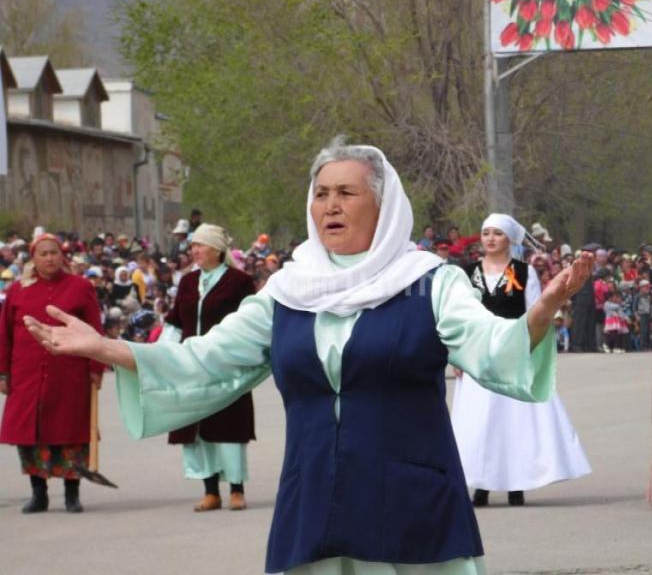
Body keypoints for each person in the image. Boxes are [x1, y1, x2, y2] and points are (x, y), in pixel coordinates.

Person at [23, 139, 592, 574]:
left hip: (410, 502)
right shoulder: (287, 291)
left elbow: (491, 347)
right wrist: (106, 347)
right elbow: (205, 360)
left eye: (347, 193)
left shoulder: (429, 282)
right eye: (321, 193)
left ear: (384, 205)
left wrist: (540, 311)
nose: (330, 205)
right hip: (316, 501)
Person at [452, 214, 591, 507]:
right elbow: (458, 315)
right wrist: (457, 354)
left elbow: (536, 311)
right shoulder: (467, 273)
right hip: (478, 353)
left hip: (513, 351)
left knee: (513, 421)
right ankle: (481, 484)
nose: (490, 239)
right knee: (481, 421)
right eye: (486, 233)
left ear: (510, 239)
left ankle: (516, 484)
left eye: (497, 233)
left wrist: (530, 348)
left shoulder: (524, 273)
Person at [0, 233, 104, 513]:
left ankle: (72, 494)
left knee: (71, 433)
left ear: (62, 256)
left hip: (69, 374)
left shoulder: (80, 287)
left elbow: (95, 329)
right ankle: (39, 494)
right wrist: (2, 372)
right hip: (27, 374)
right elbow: (4, 334)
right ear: (33, 258)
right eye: (43, 254)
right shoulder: (17, 290)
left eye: (54, 253)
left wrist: (96, 367)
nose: (49, 258)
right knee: (31, 435)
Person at [161, 223, 257, 512]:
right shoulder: (188, 282)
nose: (194, 250)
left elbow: (251, 320)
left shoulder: (239, 281)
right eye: (193, 246)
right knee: (197, 427)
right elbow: (176, 319)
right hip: (191, 363)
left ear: (216, 249)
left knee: (229, 426)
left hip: (226, 362)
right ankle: (211, 490)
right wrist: (163, 354)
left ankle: (236, 489)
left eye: (200, 245)